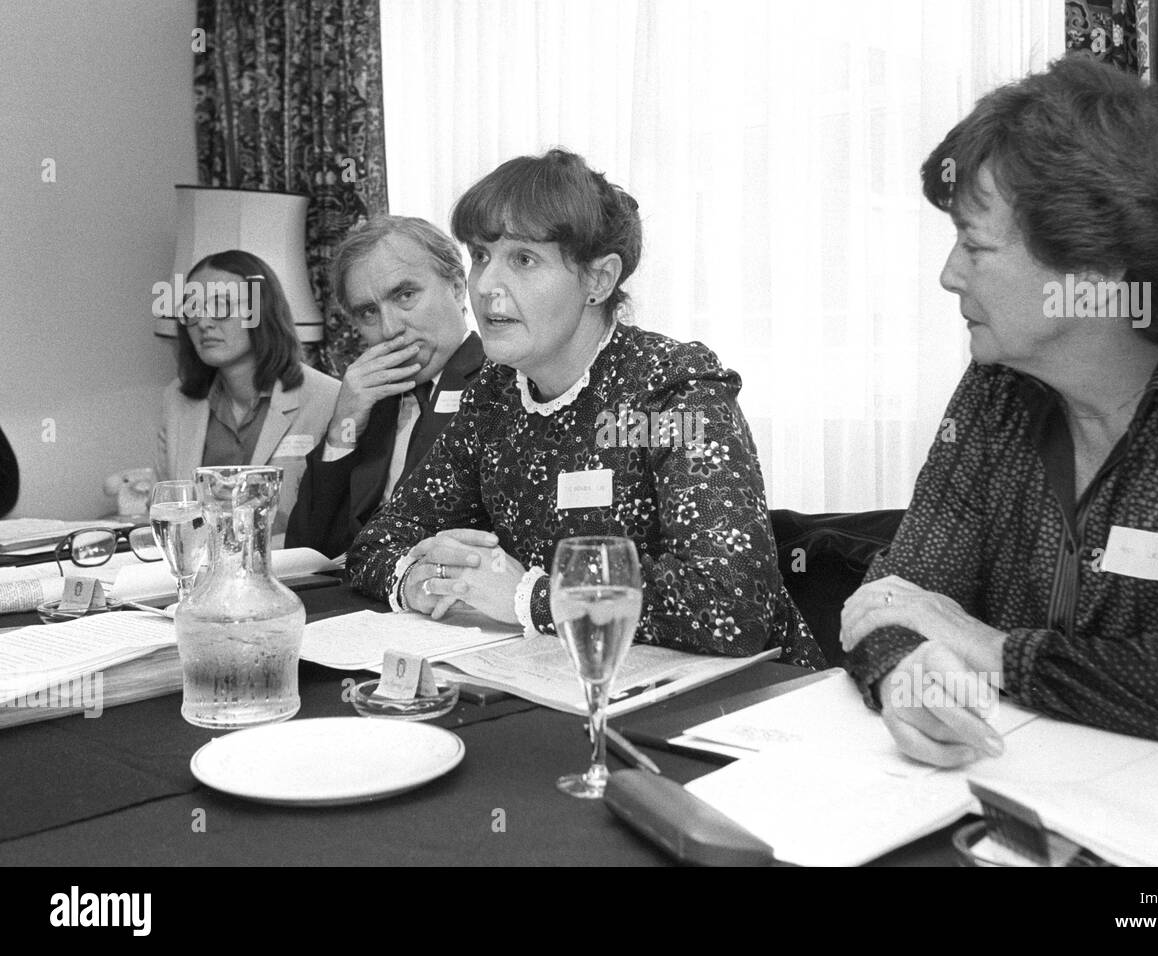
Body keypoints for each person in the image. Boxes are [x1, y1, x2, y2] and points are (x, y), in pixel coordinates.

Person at [839, 55, 1158, 764]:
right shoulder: (999, 386)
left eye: (975, 244)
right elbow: (900, 596)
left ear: (1096, 272)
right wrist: (907, 670)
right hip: (1006, 802)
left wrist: (997, 652)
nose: (948, 274)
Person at [348, 148, 820, 667]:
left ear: (598, 280)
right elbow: (378, 542)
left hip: (744, 706)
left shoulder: (668, 389)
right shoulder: (496, 395)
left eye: (523, 260)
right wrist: (420, 579)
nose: (484, 287)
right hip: (569, 684)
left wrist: (529, 596)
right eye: (481, 255)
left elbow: (729, 606)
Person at [285, 217, 484, 558]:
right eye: (368, 313)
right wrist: (343, 424)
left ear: (456, 287)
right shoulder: (369, 401)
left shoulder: (499, 387)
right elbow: (305, 547)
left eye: (405, 295)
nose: (390, 328)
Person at [156, 250, 339, 532]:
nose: (204, 322)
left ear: (262, 311)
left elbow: (336, 524)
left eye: (221, 306)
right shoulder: (177, 400)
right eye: (192, 309)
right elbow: (171, 514)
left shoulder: (328, 399)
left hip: (292, 569)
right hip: (200, 569)